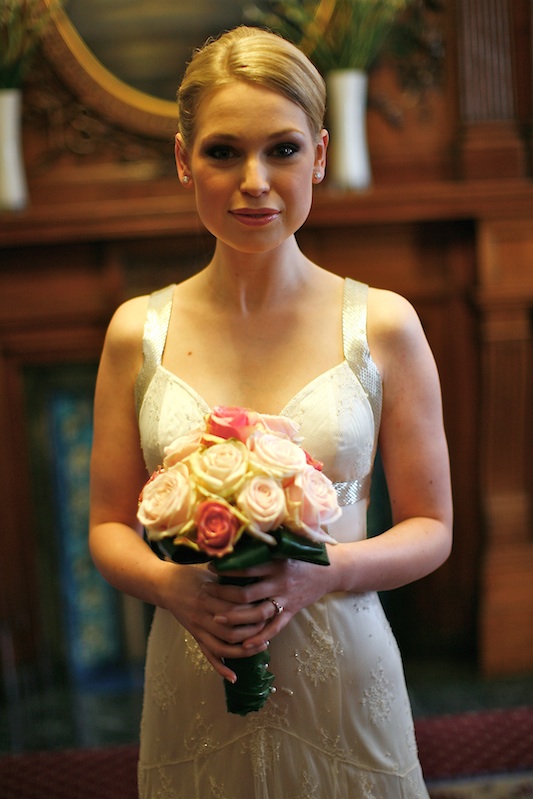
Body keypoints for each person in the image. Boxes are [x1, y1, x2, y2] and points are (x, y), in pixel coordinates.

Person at [89, 25, 452, 799]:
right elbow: (106, 527)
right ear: (184, 159)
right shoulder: (134, 332)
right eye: (223, 151)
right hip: (191, 679)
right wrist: (171, 585)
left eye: (282, 150)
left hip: (343, 677)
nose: (254, 179)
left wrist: (320, 573)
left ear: (318, 154)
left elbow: (433, 528)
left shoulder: (383, 325)